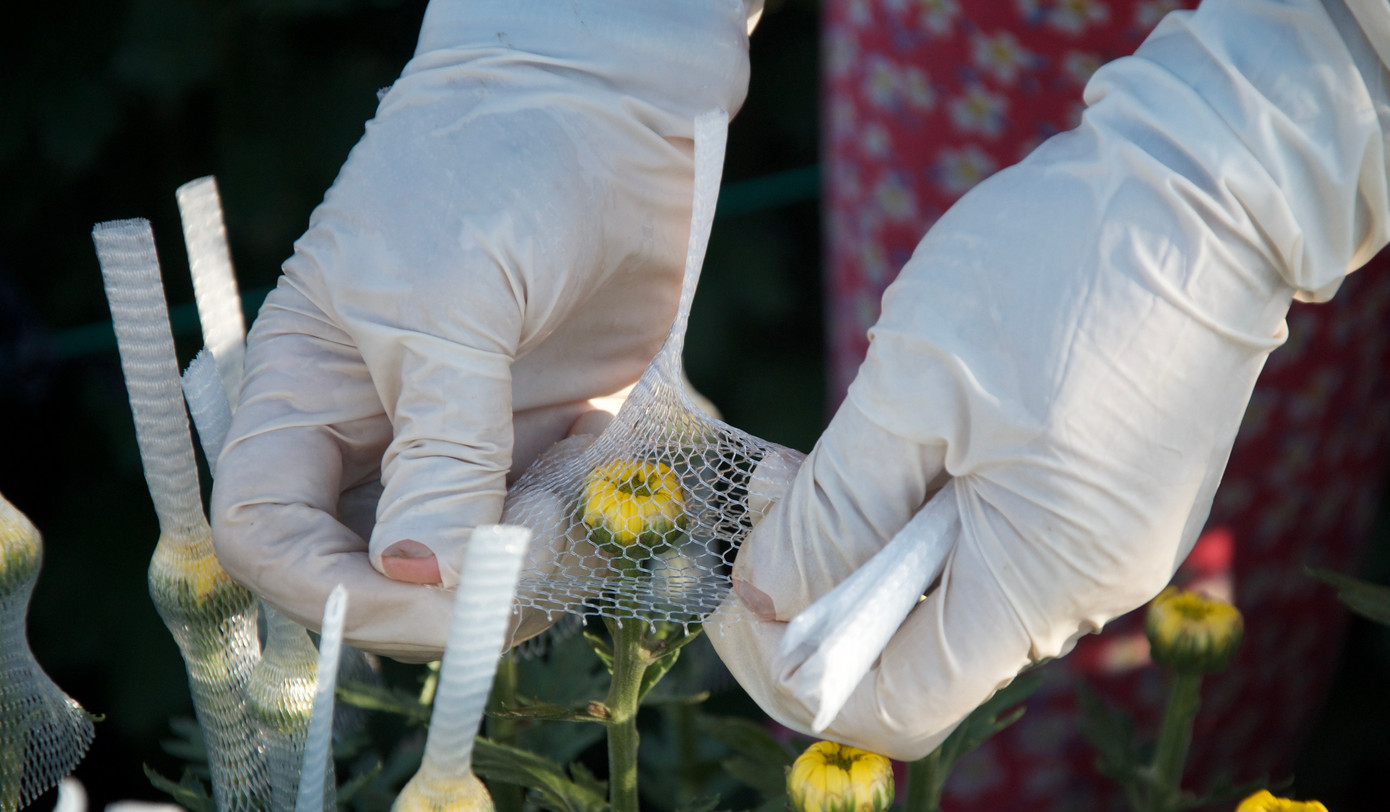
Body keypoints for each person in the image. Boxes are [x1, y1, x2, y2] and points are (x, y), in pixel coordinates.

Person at [212, 0, 1390, 770]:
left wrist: (1295, 113)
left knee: (1148, 685)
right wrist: (566, 41)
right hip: (989, 34)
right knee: (933, 418)